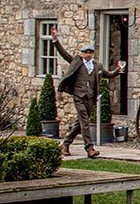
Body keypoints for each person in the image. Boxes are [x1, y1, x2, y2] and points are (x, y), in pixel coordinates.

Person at [51, 25, 123, 158]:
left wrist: (117, 71)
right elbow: (64, 53)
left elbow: (108, 74)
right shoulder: (76, 61)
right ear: (83, 53)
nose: (88, 54)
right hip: (79, 96)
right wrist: (55, 40)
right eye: (86, 52)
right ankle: (89, 148)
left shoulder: (97, 66)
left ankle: (65, 144)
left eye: (90, 52)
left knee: (80, 123)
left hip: (90, 97)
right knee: (84, 121)